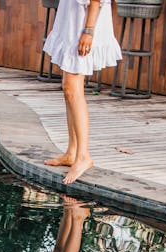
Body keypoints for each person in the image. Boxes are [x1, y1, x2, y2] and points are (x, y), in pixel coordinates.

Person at [43, 0, 122, 184]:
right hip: (72, 19)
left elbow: (95, 1)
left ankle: (83, 155)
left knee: (73, 88)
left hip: (83, 23)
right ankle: (72, 152)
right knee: (68, 87)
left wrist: (88, 31)